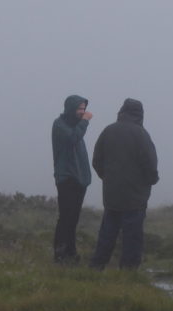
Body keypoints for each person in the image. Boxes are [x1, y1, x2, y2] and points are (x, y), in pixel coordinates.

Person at [89, 98, 159, 270]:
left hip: (112, 194)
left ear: (121, 111)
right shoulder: (141, 134)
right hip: (135, 196)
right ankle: (128, 271)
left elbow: (97, 160)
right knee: (132, 236)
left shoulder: (108, 131)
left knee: (107, 233)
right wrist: (151, 180)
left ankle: (97, 266)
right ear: (140, 114)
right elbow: (149, 163)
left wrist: (108, 178)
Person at [51, 95, 93, 264]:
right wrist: (85, 121)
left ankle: (71, 252)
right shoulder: (60, 124)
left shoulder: (76, 126)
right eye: (79, 109)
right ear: (70, 108)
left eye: (84, 109)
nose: (82, 112)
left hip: (80, 179)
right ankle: (60, 255)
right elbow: (72, 139)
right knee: (66, 217)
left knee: (73, 218)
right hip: (66, 177)